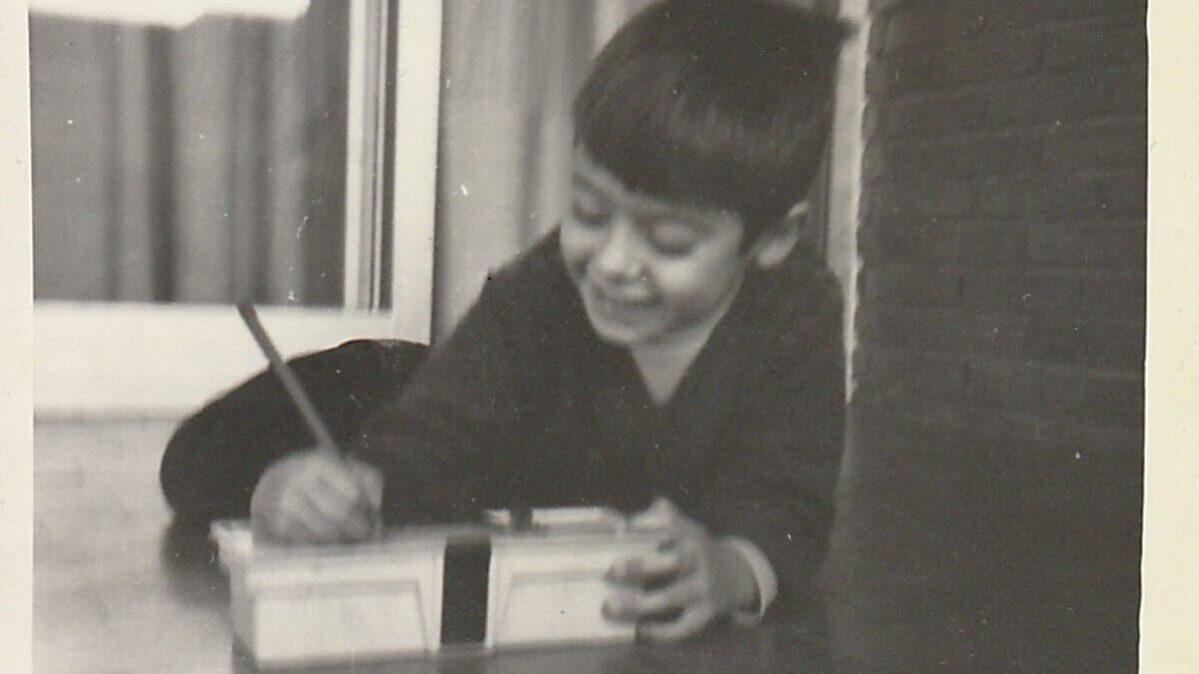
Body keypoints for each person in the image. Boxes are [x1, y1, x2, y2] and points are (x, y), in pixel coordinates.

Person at [164, 0, 848, 641]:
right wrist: (296, 494)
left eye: (667, 242)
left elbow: (785, 505)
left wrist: (728, 569)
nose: (611, 261)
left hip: (484, 410)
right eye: (586, 211)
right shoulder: (535, 295)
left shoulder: (798, 315)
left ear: (773, 239)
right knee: (201, 464)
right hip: (401, 394)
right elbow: (412, 455)